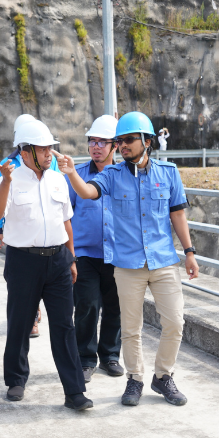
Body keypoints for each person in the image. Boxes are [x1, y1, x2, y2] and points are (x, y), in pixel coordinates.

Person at [56, 111, 200, 408]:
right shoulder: (111, 175)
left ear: (147, 141)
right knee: (131, 328)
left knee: (175, 321)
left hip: (162, 261)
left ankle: (163, 376)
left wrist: (189, 252)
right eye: (119, 141)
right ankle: (134, 379)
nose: (122, 146)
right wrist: (71, 172)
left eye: (129, 140)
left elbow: (177, 215)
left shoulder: (169, 173)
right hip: (128, 265)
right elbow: (87, 191)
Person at [0, 119, 92, 411]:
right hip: (23, 261)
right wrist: (5, 182)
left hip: (58, 260)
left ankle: (74, 391)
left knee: (63, 326)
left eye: (50, 148)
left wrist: (70, 258)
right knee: (20, 323)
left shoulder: (58, 179)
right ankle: (16, 379)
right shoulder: (9, 178)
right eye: (43, 149)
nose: (49, 154)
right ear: (27, 151)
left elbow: (66, 221)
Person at [67, 115, 124, 383]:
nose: (96, 146)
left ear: (115, 146)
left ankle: (111, 356)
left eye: (102, 142)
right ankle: (86, 358)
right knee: (87, 305)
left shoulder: (125, 176)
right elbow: (65, 216)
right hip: (85, 255)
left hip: (119, 254)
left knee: (116, 306)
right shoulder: (75, 176)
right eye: (92, 141)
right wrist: (69, 255)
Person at [0, 116, 58, 337]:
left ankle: (33, 316)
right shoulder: (9, 164)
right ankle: (30, 319)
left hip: (48, 234)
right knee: (21, 283)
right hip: (21, 237)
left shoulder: (50, 160)